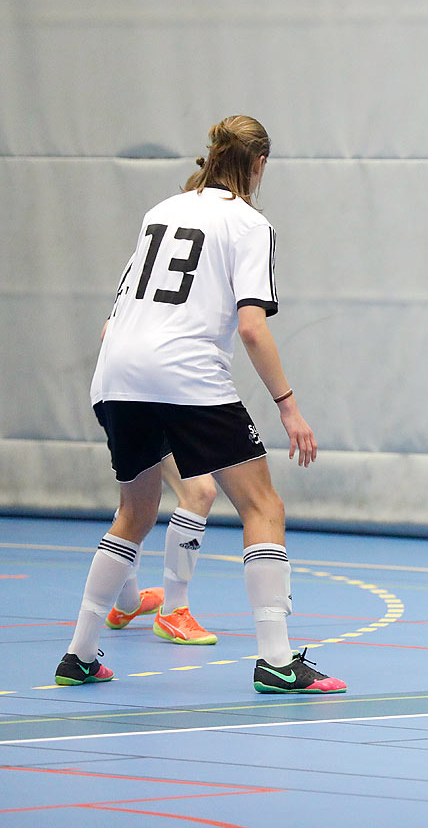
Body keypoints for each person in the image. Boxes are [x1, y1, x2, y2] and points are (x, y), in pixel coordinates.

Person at [55, 115, 345, 694]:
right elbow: (252, 329)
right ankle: (278, 661)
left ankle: (78, 654)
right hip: (186, 373)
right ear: (258, 165)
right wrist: (288, 406)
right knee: (263, 507)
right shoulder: (249, 224)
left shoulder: (160, 211)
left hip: (117, 372)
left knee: (134, 513)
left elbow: (116, 315)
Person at [104, 454, 221, 646]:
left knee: (136, 504)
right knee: (199, 492)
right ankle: (173, 609)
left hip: (136, 424)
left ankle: (127, 602)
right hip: (150, 423)